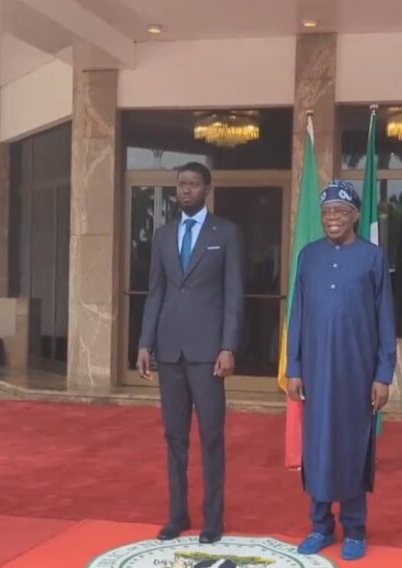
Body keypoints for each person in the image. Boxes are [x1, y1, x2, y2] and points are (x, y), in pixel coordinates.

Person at [286, 180, 397, 562]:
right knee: (317, 446)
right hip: (315, 370)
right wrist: (295, 367)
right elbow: (296, 315)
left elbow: (385, 320)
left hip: (357, 370)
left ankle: (354, 527)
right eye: (327, 212)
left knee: (352, 446)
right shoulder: (309, 255)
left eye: (340, 212)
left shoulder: (372, 257)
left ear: (354, 216)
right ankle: (320, 524)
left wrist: (383, 374)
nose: (332, 219)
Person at [137, 162, 244, 545]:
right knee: (174, 438)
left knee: (212, 437)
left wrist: (228, 346)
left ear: (207, 190)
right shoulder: (164, 235)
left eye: (193, 185)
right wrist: (145, 343)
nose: (185, 190)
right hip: (170, 352)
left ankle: (213, 519)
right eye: (181, 184)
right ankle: (177, 515)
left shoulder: (226, 234)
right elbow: (156, 293)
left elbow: (234, 295)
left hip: (208, 353)